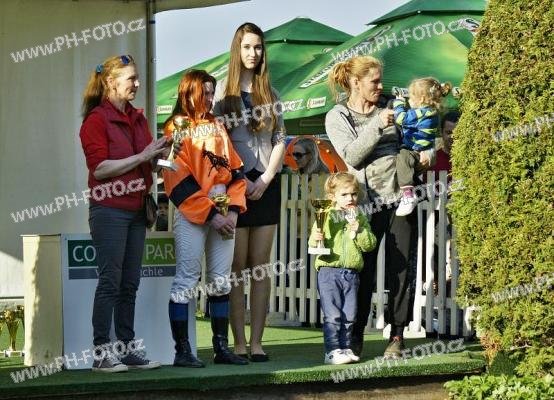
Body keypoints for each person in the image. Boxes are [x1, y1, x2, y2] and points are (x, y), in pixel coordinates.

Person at [326, 56, 428, 360]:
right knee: (363, 270)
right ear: (356, 82)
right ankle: (354, 333)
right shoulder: (338, 115)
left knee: (401, 269)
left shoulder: (394, 105)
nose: (381, 86)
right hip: (364, 205)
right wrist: (377, 124)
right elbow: (352, 157)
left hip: (400, 201)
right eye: (374, 81)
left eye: (381, 80)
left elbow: (414, 138)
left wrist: (423, 154)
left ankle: (397, 335)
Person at [80, 54, 167, 372]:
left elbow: (147, 163)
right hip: (109, 210)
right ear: (111, 82)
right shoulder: (96, 120)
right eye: (131, 78)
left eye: (137, 78)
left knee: (129, 284)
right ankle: (101, 353)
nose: (137, 84)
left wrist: (160, 155)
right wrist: (143, 156)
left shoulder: (137, 118)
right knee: (110, 282)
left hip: (135, 210)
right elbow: (100, 169)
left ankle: (127, 350)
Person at [163, 69, 248, 367]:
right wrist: (213, 215)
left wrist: (233, 211)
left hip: (223, 206)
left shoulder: (218, 126)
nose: (211, 98)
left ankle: (221, 348)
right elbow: (177, 181)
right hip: (193, 211)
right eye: (205, 93)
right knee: (186, 279)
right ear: (188, 93)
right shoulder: (175, 128)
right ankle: (182, 351)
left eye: (212, 93)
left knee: (221, 281)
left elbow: (236, 172)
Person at [213, 22, 286, 362]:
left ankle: (257, 343)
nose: (253, 53)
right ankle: (238, 342)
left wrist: (267, 178)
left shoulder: (271, 94)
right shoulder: (222, 95)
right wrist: (240, 180)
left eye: (258, 47)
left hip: (266, 184)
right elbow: (216, 143)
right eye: (247, 47)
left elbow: (280, 139)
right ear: (237, 50)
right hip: (234, 186)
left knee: (260, 267)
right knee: (237, 267)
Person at [308, 173, 376, 364]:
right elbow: (313, 241)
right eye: (344, 195)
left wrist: (358, 230)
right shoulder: (326, 215)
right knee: (333, 315)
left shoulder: (360, 217)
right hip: (329, 272)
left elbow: (369, 244)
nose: (350, 198)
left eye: (353, 194)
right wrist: (317, 237)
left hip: (352, 274)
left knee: (350, 315)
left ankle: (345, 348)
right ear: (333, 197)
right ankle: (332, 351)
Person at [392, 78, 450, 216]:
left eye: (412, 96)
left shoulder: (420, 113)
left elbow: (400, 119)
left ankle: (408, 195)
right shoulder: (432, 112)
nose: (409, 100)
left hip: (416, 150)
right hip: (426, 150)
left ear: (422, 98)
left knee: (402, 158)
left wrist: (398, 103)